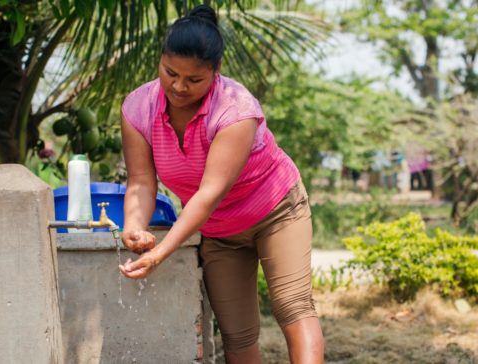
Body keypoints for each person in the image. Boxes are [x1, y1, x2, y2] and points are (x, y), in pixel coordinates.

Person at [117, 5, 324, 363]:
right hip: (219, 230)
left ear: (216, 71)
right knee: (237, 333)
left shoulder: (235, 108)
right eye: (170, 73)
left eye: (194, 79)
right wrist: (133, 226)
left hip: (275, 210)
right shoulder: (138, 108)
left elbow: (209, 193)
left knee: (292, 307)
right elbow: (140, 180)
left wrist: (161, 252)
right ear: (161, 60)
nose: (179, 86)